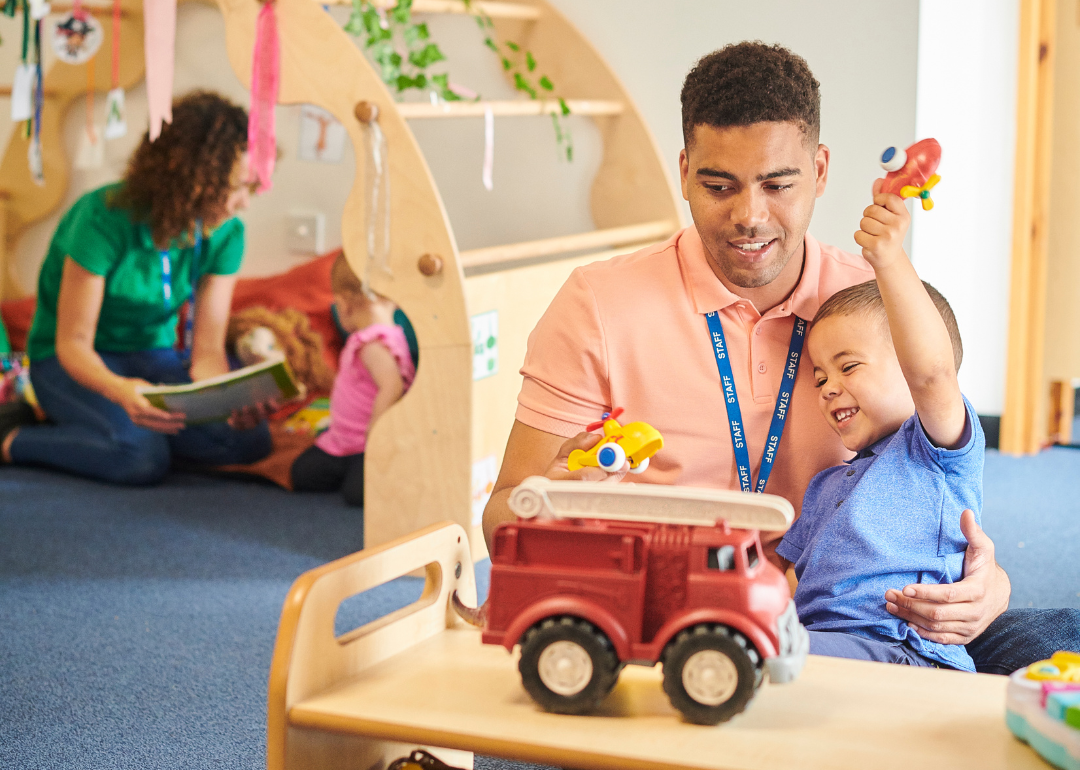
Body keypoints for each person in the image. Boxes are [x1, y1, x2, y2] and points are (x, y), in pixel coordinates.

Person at [483, 41, 1079, 674]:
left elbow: (942, 476)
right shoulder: (596, 303)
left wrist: (989, 588)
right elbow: (503, 520)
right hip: (688, 614)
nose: (749, 216)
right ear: (684, 171)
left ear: (820, 171)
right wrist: (555, 503)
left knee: (1060, 637)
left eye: (777, 184)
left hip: (872, 617)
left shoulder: (873, 304)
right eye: (718, 186)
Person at [0, 91, 272, 484]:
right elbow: (72, 345)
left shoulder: (228, 235)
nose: (242, 203)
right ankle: (13, 439)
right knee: (140, 459)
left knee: (251, 442)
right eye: (234, 187)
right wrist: (119, 391)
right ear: (189, 179)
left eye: (251, 187)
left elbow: (208, 352)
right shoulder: (102, 217)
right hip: (70, 363)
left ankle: (120, 434)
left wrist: (225, 400)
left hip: (152, 357)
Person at [775, 183, 981, 668]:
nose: (826, 387)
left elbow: (931, 373)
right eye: (820, 376)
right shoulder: (826, 485)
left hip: (904, 650)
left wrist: (887, 258)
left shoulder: (935, 452)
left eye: (849, 368)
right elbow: (788, 576)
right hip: (824, 642)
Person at [289, 253, 416, 506]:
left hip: (366, 447)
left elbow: (392, 387)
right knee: (301, 474)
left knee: (356, 495)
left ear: (344, 304)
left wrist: (375, 436)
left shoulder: (373, 345)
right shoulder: (386, 336)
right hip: (340, 442)